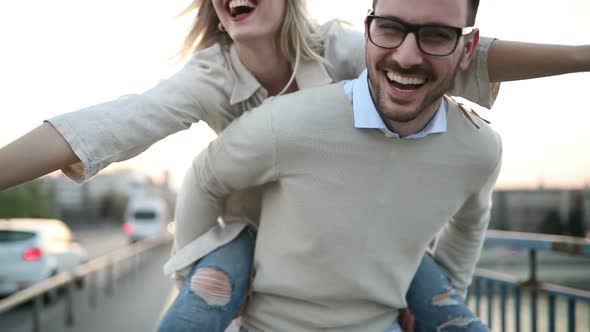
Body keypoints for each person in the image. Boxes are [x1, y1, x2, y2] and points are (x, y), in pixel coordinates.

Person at [0, 0, 588, 330]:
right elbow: (110, 124)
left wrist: (583, 55)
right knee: (198, 306)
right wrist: (198, 264)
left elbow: (465, 58)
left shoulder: (344, 48)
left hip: (357, 230)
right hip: (251, 227)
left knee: (450, 314)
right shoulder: (206, 76)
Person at [167, 0, 501, 330]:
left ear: (468, 47)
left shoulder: (480, 147)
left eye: (436, 35)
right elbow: (204, 177)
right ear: (368, 30)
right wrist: (197, 276)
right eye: (390, 28)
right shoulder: (288, 120)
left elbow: (469, 224)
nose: (406, 56)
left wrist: (440, 297)